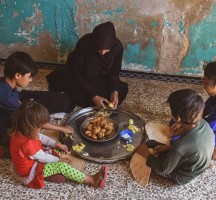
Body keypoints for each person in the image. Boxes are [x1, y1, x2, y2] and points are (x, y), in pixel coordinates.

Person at [10, 101, 108, 189]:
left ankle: (62, 170)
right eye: (39, 127)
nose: (41, 129)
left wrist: (56, 145)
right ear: (30, 127)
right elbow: (43, 158)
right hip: (31, 171)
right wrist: (59, 160)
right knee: (61, 166)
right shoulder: (27, 144)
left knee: (54, 150)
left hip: (34, 159)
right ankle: (91, 180)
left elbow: (41, 137)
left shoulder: (23, 131)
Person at [0, 51, 74, 158]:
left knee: (56, 100)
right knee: (30, 146)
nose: (30, 80)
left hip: (8, 117)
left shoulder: (6, 83)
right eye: (29, 76)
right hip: (3, 130)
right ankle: (5, 150)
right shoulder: (5, 96)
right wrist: (62, 128)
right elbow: (31, 117)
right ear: (17, 75)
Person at [136, 89, 214, 185]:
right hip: (197, 160)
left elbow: (164, 169)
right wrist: (169, 146)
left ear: (178, 118)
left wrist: (146, 154)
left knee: (158, 165)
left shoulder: (180, 146)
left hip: (182, 176)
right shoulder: (203, 123)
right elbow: (191, 143)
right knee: (151, 143)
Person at [46, 21, 128, 109]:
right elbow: (76, 75)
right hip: (80, 76)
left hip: (102, 77)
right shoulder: (84, 46)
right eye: (99, 50)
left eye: (106, 50)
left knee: (118, 92)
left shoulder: (117, 47)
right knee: (82, 96)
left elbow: (114, 72)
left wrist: (114, 91)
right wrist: (94, 96)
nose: (102, 53)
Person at [202, 62, 216, 159]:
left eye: (206, 82)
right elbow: (203, 110)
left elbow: (209, 127)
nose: (203, 83)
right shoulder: (213, 98)